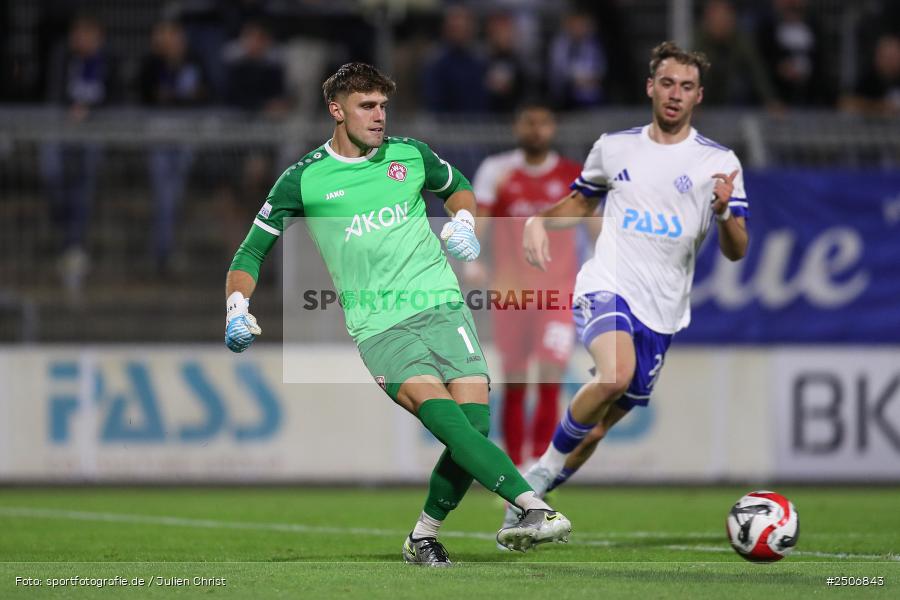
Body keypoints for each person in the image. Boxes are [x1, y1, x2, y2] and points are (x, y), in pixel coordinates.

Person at [223, 63, 572, 564]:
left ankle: (422, 537)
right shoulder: (303, 180)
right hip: (379, 325)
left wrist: (465, 220)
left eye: (383, 106)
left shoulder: (409, 155)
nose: (379, 116)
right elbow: (250, 252)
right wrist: (238, 306)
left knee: (473, 428)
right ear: (337, 111)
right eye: (367, 106)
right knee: (449, 424)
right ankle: (531, 506)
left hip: (443, 305)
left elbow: (457, 186)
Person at [501, 42, 750, 527]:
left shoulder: (719, 163)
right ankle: (535, 480)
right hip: (607, 284)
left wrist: (722, 214)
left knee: (594, 433)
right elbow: (579, 203)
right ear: (650, 87)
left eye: (687, 86)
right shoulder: (614, 147)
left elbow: (737, 248)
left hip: (664, 309)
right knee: (613, 375)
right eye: (667, 83)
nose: (675, 94)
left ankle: (526, 512)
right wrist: (537, 222)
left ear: (699, 96)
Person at [470, 104, 581, 467]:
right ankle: (516, 469)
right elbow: (477, 224)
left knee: (551, 376)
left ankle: (540, 469)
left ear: (553, 127)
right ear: (517, 126)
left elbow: (597, 228)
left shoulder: (571, 175)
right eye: (528, 122)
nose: (536, 129)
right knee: (515, 381)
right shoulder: (498, 171)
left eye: (543, 123)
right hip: (511, 293)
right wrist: (470, 260)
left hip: (557, 294)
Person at [140, 20, 210, 274]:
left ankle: (165, 253)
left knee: (174, 195)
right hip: (159, 132)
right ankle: (162, 255)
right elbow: (146, 94)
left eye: (173, 35)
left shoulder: (195, 60)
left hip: (188, 132)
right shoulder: (151, 63)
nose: (168, 41)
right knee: (164, 195)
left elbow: (204, 93)